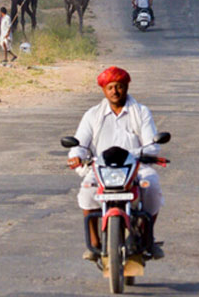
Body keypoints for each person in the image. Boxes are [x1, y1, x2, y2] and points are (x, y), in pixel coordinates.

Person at [67, 66, 165, 261]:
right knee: (87, 188)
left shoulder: (141, 112)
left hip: (135, 167)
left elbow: (151, 145)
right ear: (103, 90)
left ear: (126, 87)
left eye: (119, 86)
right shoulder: (92, 115)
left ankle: (148, 237)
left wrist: (143, 153)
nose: (115, 91)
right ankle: (94, 243)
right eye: (110, 87)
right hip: (101, 168)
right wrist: (76, 155)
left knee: (151, 185)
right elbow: (80, 144)